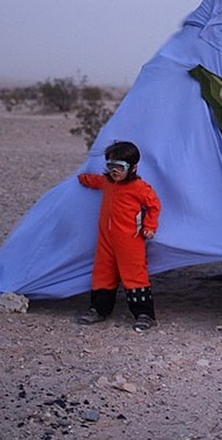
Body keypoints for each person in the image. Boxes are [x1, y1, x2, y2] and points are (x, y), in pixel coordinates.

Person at [77, 140, 161, 332]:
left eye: (120, 166)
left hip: (130, 240)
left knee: (134, 275)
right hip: (106, 240)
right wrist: (83, 179)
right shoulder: (108, 182)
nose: (114, 170)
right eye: (110, 165)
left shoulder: (139, 188)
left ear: (133, 168)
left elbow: (154, 206)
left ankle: (144, 314)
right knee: (102, 273)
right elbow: (96, 181)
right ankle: (99, 309)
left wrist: (149, 226)